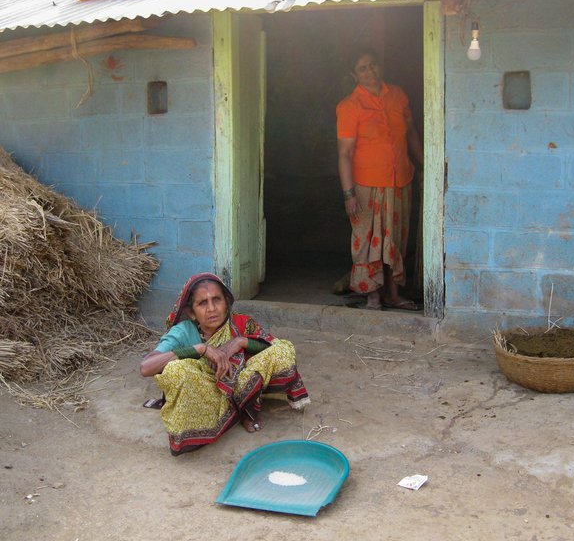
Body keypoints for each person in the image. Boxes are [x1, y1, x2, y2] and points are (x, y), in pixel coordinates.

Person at [140, 272, 310, 456]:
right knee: (175, 369)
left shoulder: (241, 323)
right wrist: (199, 349)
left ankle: (246, 409)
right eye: (202, 303)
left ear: (227, 303)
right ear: (191, 312)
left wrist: (240, 342)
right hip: (207, 390)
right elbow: (146, 367)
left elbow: (272, 347)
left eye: (217, 300)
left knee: (283, 350)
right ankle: (221, 416)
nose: (211, 308)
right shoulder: (183, 332)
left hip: (242, 384)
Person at [336, 47, 424, 311]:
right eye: (363, 68)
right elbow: (345, 153)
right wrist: (349, 193)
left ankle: (393, 295)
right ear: (354, 75)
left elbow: (411, 135)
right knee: (366, 241)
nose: (370, 71)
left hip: (400, 180)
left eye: (373, 64)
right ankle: (372, 295)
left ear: (380, 66)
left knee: (394, 241)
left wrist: (424, 164)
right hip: (366, 185)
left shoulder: (398, 96)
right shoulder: (349, 106)